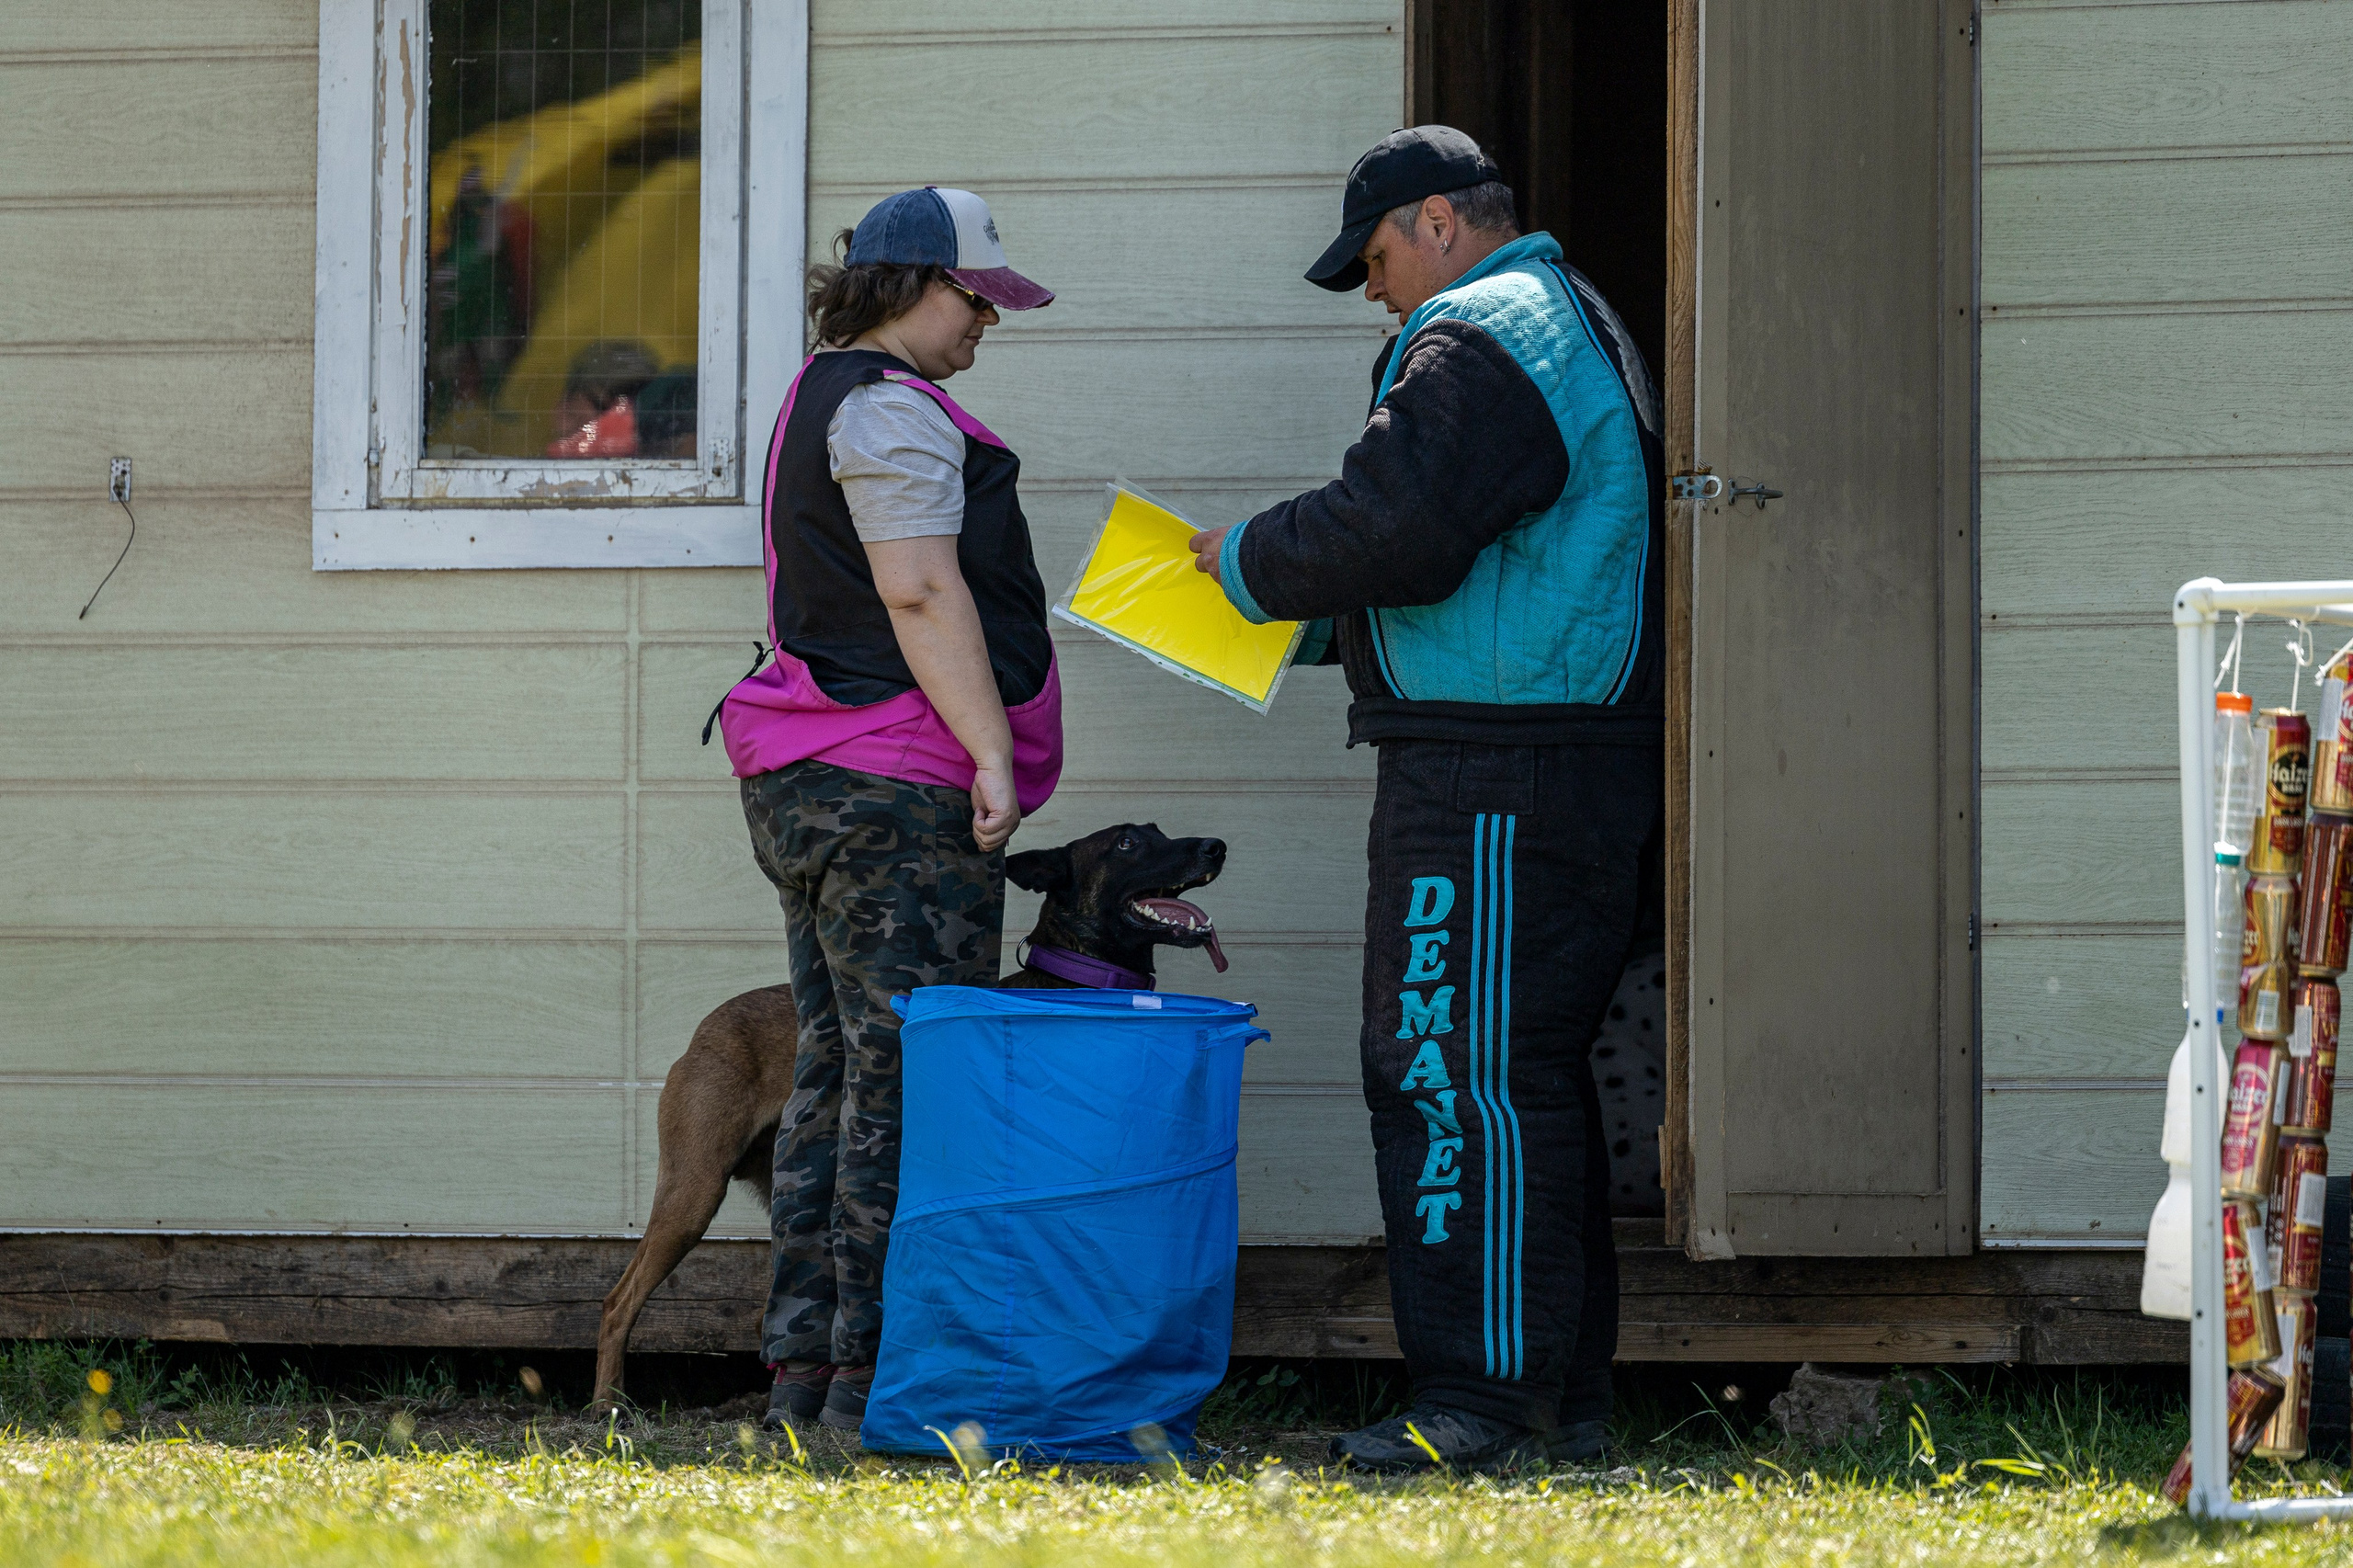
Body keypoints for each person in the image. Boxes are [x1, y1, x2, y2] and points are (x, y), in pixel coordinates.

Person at [1189, 126, 1665, 1472]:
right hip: (1541, 756)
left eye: (1376, 258)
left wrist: (1242, 561)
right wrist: (1324, 625)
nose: (1373, 289)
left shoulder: (1485, 332)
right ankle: (1553, 1404)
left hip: (1497, 773)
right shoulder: (1563, 318)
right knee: (1515, 1079)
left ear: (1441, 221)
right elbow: (1491, 565)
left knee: (1449, 1072)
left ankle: (1480, 1406)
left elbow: (1397, 523)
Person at [713, 186, 1063, 1434]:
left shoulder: (819, 396)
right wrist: (990, 755)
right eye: (978, 298)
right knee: (910, 1075)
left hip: (809, 780)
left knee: (835, 1065)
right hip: (892, 786)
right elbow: (918, 590)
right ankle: (883, 1382)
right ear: (914, 284)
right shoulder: (890, 409)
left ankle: (805, 1374)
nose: (989, 322)